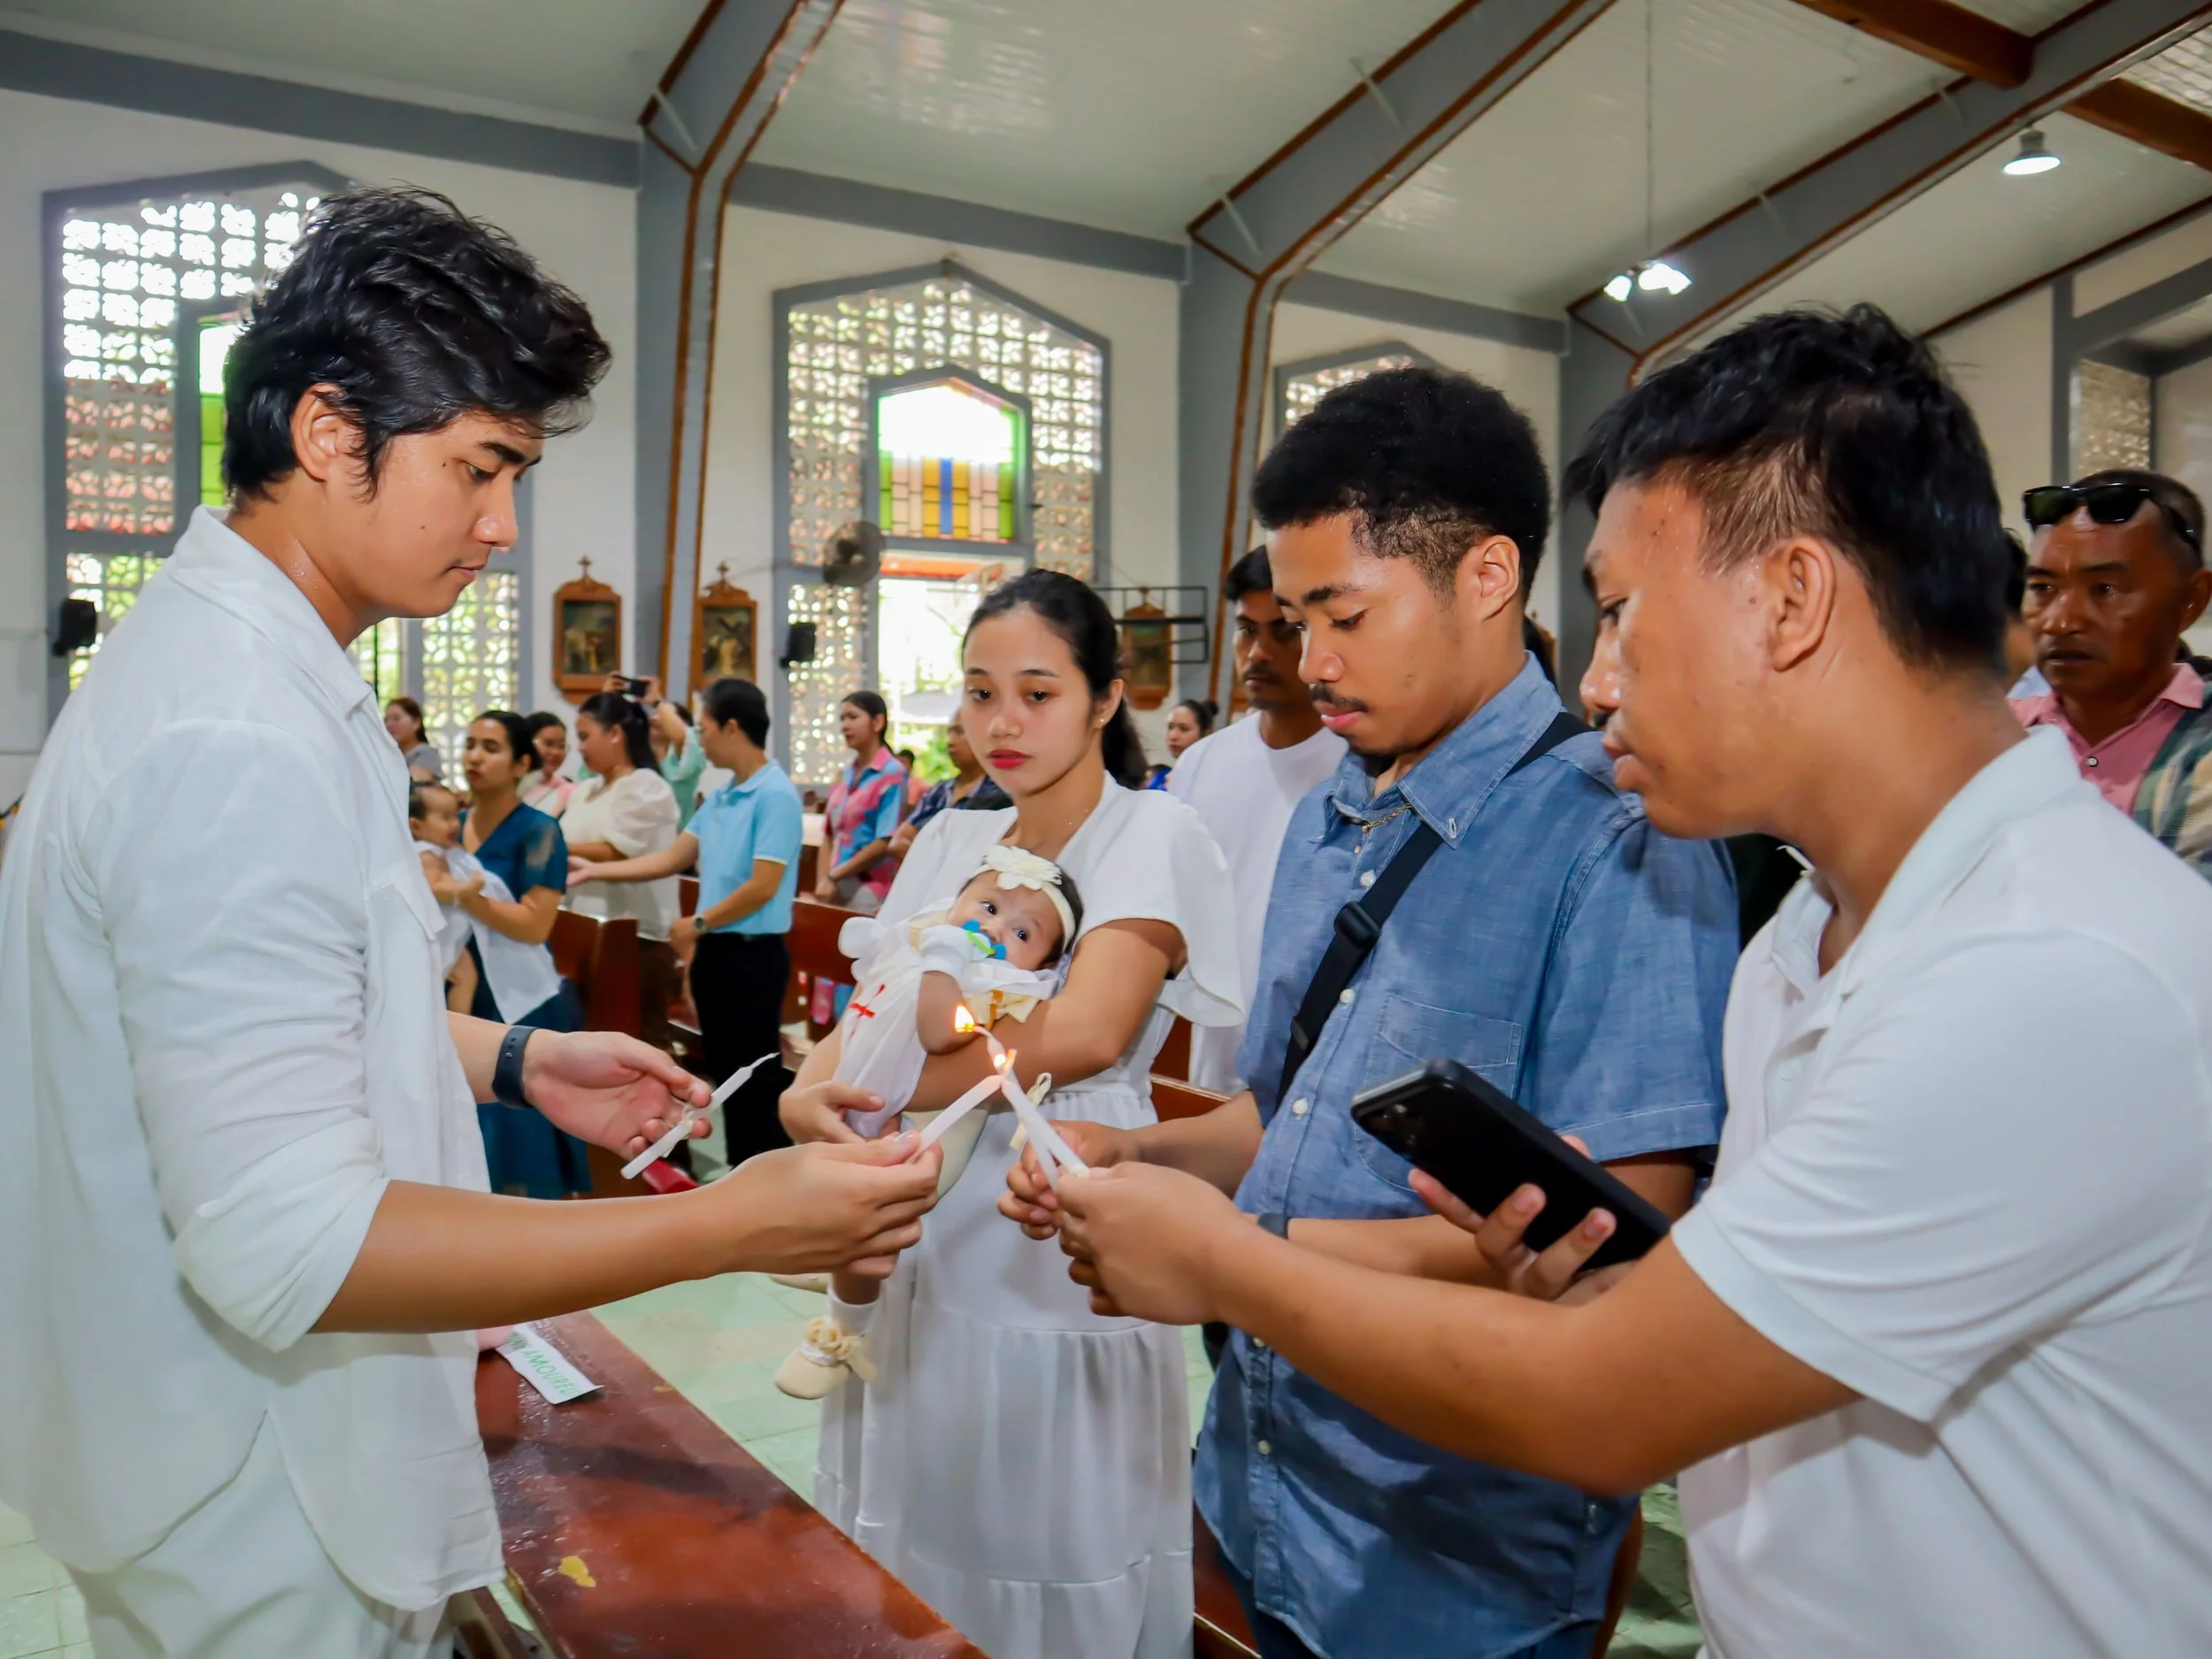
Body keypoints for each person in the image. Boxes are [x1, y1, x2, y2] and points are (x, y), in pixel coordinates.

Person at [1051, 306, 2212, 1659]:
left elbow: (1610, 1403)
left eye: (1618, 614)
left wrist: (1230, 1264)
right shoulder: (1808, 940)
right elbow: (1716, 1316)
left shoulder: (2042, 968)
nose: (1595, 682)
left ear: (1791, 598)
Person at [0, 185, 941, 1659]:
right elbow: (290, 1249)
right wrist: (716, 1223)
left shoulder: (239, 677)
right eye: (480, 468)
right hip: (262, 1502)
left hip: (231, 1464)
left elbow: (244, 1019)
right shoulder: (234, 736)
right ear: (328, 435)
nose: (504, 529)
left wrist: (509, 1060)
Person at [1004, 365, 1737, 1659]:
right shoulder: (1324, 821)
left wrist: (1234, 1257)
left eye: (1342, 613)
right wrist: (1144, 1155)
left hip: (1446, 1543)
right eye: (1291, 619)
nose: (1309, 661)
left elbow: (1623, 1232)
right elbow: (1284, 1117)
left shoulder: (1615, 845)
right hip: (1256, 1478)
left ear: (1486, 575)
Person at [780, 569, 1242, 1659]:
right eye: (979, 692)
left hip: (1050, 1199)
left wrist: (873, 1086)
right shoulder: (950, 837)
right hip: (923, 1208)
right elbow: (886, 1002)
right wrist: (811, 1087)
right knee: (919, 1476)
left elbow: (1082, 1035)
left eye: (1037, 692)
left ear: (1103, 697)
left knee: (1037, 1507)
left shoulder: (1150, 835)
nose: (1002, 722)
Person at [772, 845, 1083, 1400]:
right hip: (872, 1086)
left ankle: (842, 1335)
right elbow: (864, 1009)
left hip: (933, 1120)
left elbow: (941, 1034)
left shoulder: (995, 985)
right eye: (987, 907)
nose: (993, 930)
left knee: (876, 1211)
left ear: (1042, 965)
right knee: (834, 1192)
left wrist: (945, 960)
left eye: (1021, 933)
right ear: (954, 900)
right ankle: (832, 1259)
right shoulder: (917, 942)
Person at [571, 677, 803, 1166]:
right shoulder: (723, 796)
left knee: (753, 1076)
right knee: (725, 1071)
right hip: (716, 951)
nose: (699, 738)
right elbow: (670, 857)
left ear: (732, 728)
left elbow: (763, 884)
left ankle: (766, 1177)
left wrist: (696, 923)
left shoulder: (775, 795)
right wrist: (594, 869)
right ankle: (743, 1176)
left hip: (751, 954)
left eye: (704, 727)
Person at [1167, 548, 1344, 1093]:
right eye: (1247, 631)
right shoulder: (1201, 763)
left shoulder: (1358, 766)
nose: (1258, 653)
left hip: (1313, 1071)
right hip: (1210, 1062)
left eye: (1284, 632)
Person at [2016, 469, 2212, 875]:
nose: (2060, 621)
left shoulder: (2202, 746)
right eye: (2042, 589)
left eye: (2104, 589)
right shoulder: (1996, 738)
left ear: (2191, 601)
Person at [454, 710, 593, 1198]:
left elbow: (536, 923)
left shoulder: (538, 831)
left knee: (517, 1137)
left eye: (490, 748)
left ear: (521, 764)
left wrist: (465, 897)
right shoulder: (449, 823)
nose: (474, 756)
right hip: (458, 991)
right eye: (470, 744)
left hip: (518, 996)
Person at [564, 690, 683, 1048]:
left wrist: (551, 845)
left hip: (636, 939)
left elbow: (614, 851)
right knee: (592, 1041)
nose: (580, 747)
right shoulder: (586, 788)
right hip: (586, 927)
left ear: (615, 734)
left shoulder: (646, 786)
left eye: (585, 736)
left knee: (639, 1042)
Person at [817, 690, 907, 911]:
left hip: (870, 888)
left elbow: (885, 841)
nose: (845, 726)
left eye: (853, 717)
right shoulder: (844, 774)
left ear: (877, 722)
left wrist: (834, 875)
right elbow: (829, 834)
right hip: (835, 885)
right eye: (842, 719)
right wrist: (824, 881)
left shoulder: (891, 773)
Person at [407, 780, 483, 1015]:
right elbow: (434, 887)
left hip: (450, 935)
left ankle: (459, 1021)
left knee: (467, 977)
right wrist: (467, 888)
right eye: (445, 817)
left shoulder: (444, 852)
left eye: (455, 816)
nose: (454, 824)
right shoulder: (426, 854)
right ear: (416, 826)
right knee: (427, 987)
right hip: (433, 937)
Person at [892, 720, 1009, 857]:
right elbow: (898, 842)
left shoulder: (1002, 794)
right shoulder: (939, 791)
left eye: (960, 732)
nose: (951, 742)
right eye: (950, 733)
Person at [1145, 697, 1216, 788]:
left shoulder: (1209, 781)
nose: (1173, 736)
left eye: (1184, 729)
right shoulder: (1160, 778)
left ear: (1206, 733)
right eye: (1170, 727)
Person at [521, 710, 575, 816]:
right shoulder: (505, 786)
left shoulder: (569, 792)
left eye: (562, 746)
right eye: (548, 744)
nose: (556, 752)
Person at [384, 695, 442, 782]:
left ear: (416, 722)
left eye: (396, 719)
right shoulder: (389, 755)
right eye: (386, 720)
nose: (389, 725)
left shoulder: (426, 754)